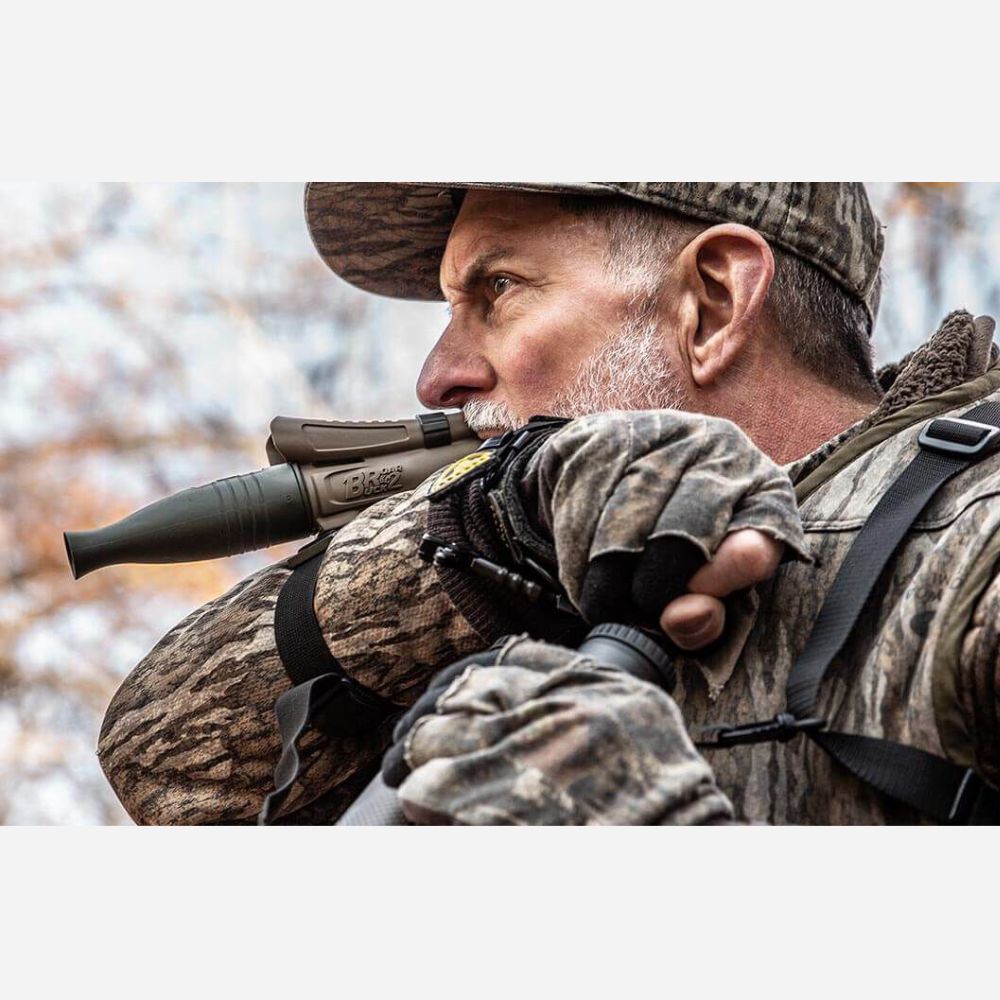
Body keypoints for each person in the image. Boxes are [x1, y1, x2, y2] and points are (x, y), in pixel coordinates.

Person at [98, 183, 1000, 825]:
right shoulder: (521, 570)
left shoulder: (977, 534)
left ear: (713, 302)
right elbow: (168, 769)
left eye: (497, 289)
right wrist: (494, 524)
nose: (438, 376)